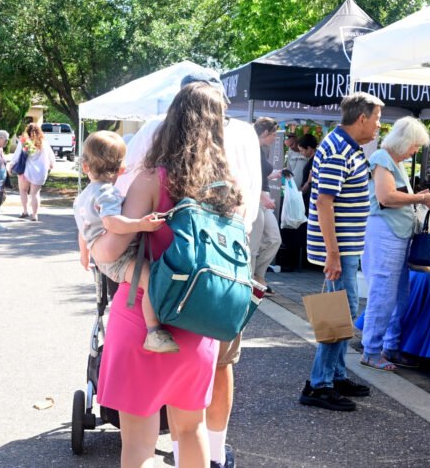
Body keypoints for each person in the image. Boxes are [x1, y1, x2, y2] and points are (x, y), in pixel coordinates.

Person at [114, 70, 261, 468]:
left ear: (173, 119)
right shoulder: (229, 190)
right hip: (199, 319)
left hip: (146, 318)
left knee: (139, 443)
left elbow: (114, 251)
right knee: (189, 429)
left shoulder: (150, 180)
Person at [299, 92, 382, 412]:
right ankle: (319, 384)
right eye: (375, 119)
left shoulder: (344, 146)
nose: (377, 126)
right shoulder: (338, 150)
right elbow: (323, 202)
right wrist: (332, 254)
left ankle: (334, 375)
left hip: (344, 248)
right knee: (338, 315)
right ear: (361, 118)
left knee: (341, 313)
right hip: (339, 250)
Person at [73, 130, 175, 352]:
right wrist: (140, 224)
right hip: (119, 259)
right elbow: (111, 222)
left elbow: (83, 229)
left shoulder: (82, 197)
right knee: (149, 279)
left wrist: (85, 254)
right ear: (121, 169)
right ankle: (153, 331)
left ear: (85, 167)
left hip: (102, 258)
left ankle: (153, 330)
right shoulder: (106, 193)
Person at [359, 117, 430, 371]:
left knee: (397, 296)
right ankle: (372, 350)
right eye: (415, 145)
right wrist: (421, 197)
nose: (415, 150)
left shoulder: (390, 161)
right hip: (386, 234)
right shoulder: (383, 159)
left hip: (394, 233)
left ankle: (388, 347)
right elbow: (386, 197)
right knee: (384, 294)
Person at [251, 117, 282, 293]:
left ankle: (257, 275)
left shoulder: (260, 149)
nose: (275, 138)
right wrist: (262, 196)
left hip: (262, 198)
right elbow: (250, 176)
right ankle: (252, 280)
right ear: (265, 133)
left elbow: (261, 174)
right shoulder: (252, 148)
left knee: (274, 238)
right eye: (273, 134)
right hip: (256, 198)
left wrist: (274, 175)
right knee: (254, 243)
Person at [9, 123, 54, 221]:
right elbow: (51, 156)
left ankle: (25, 211)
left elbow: (16, 156)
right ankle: (35, 215)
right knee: (35, 194)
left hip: (25, 171)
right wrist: (51, 164)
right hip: (40, 172)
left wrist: (11, 165)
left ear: (27, 131)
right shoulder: (44, 142)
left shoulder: (24, 142)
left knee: (23, 191)